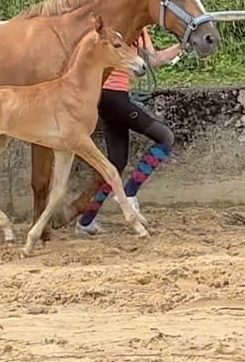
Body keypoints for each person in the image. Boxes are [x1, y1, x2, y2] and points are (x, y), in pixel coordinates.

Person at [74, 27, 183, 236]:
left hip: (107, 97)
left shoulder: (139, 29)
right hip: (114, 96)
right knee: (165, 138)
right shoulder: (123, 26)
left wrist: (181, 47)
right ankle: (131, 193)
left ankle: (86, 222)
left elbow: (153, 60)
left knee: (116, 163)